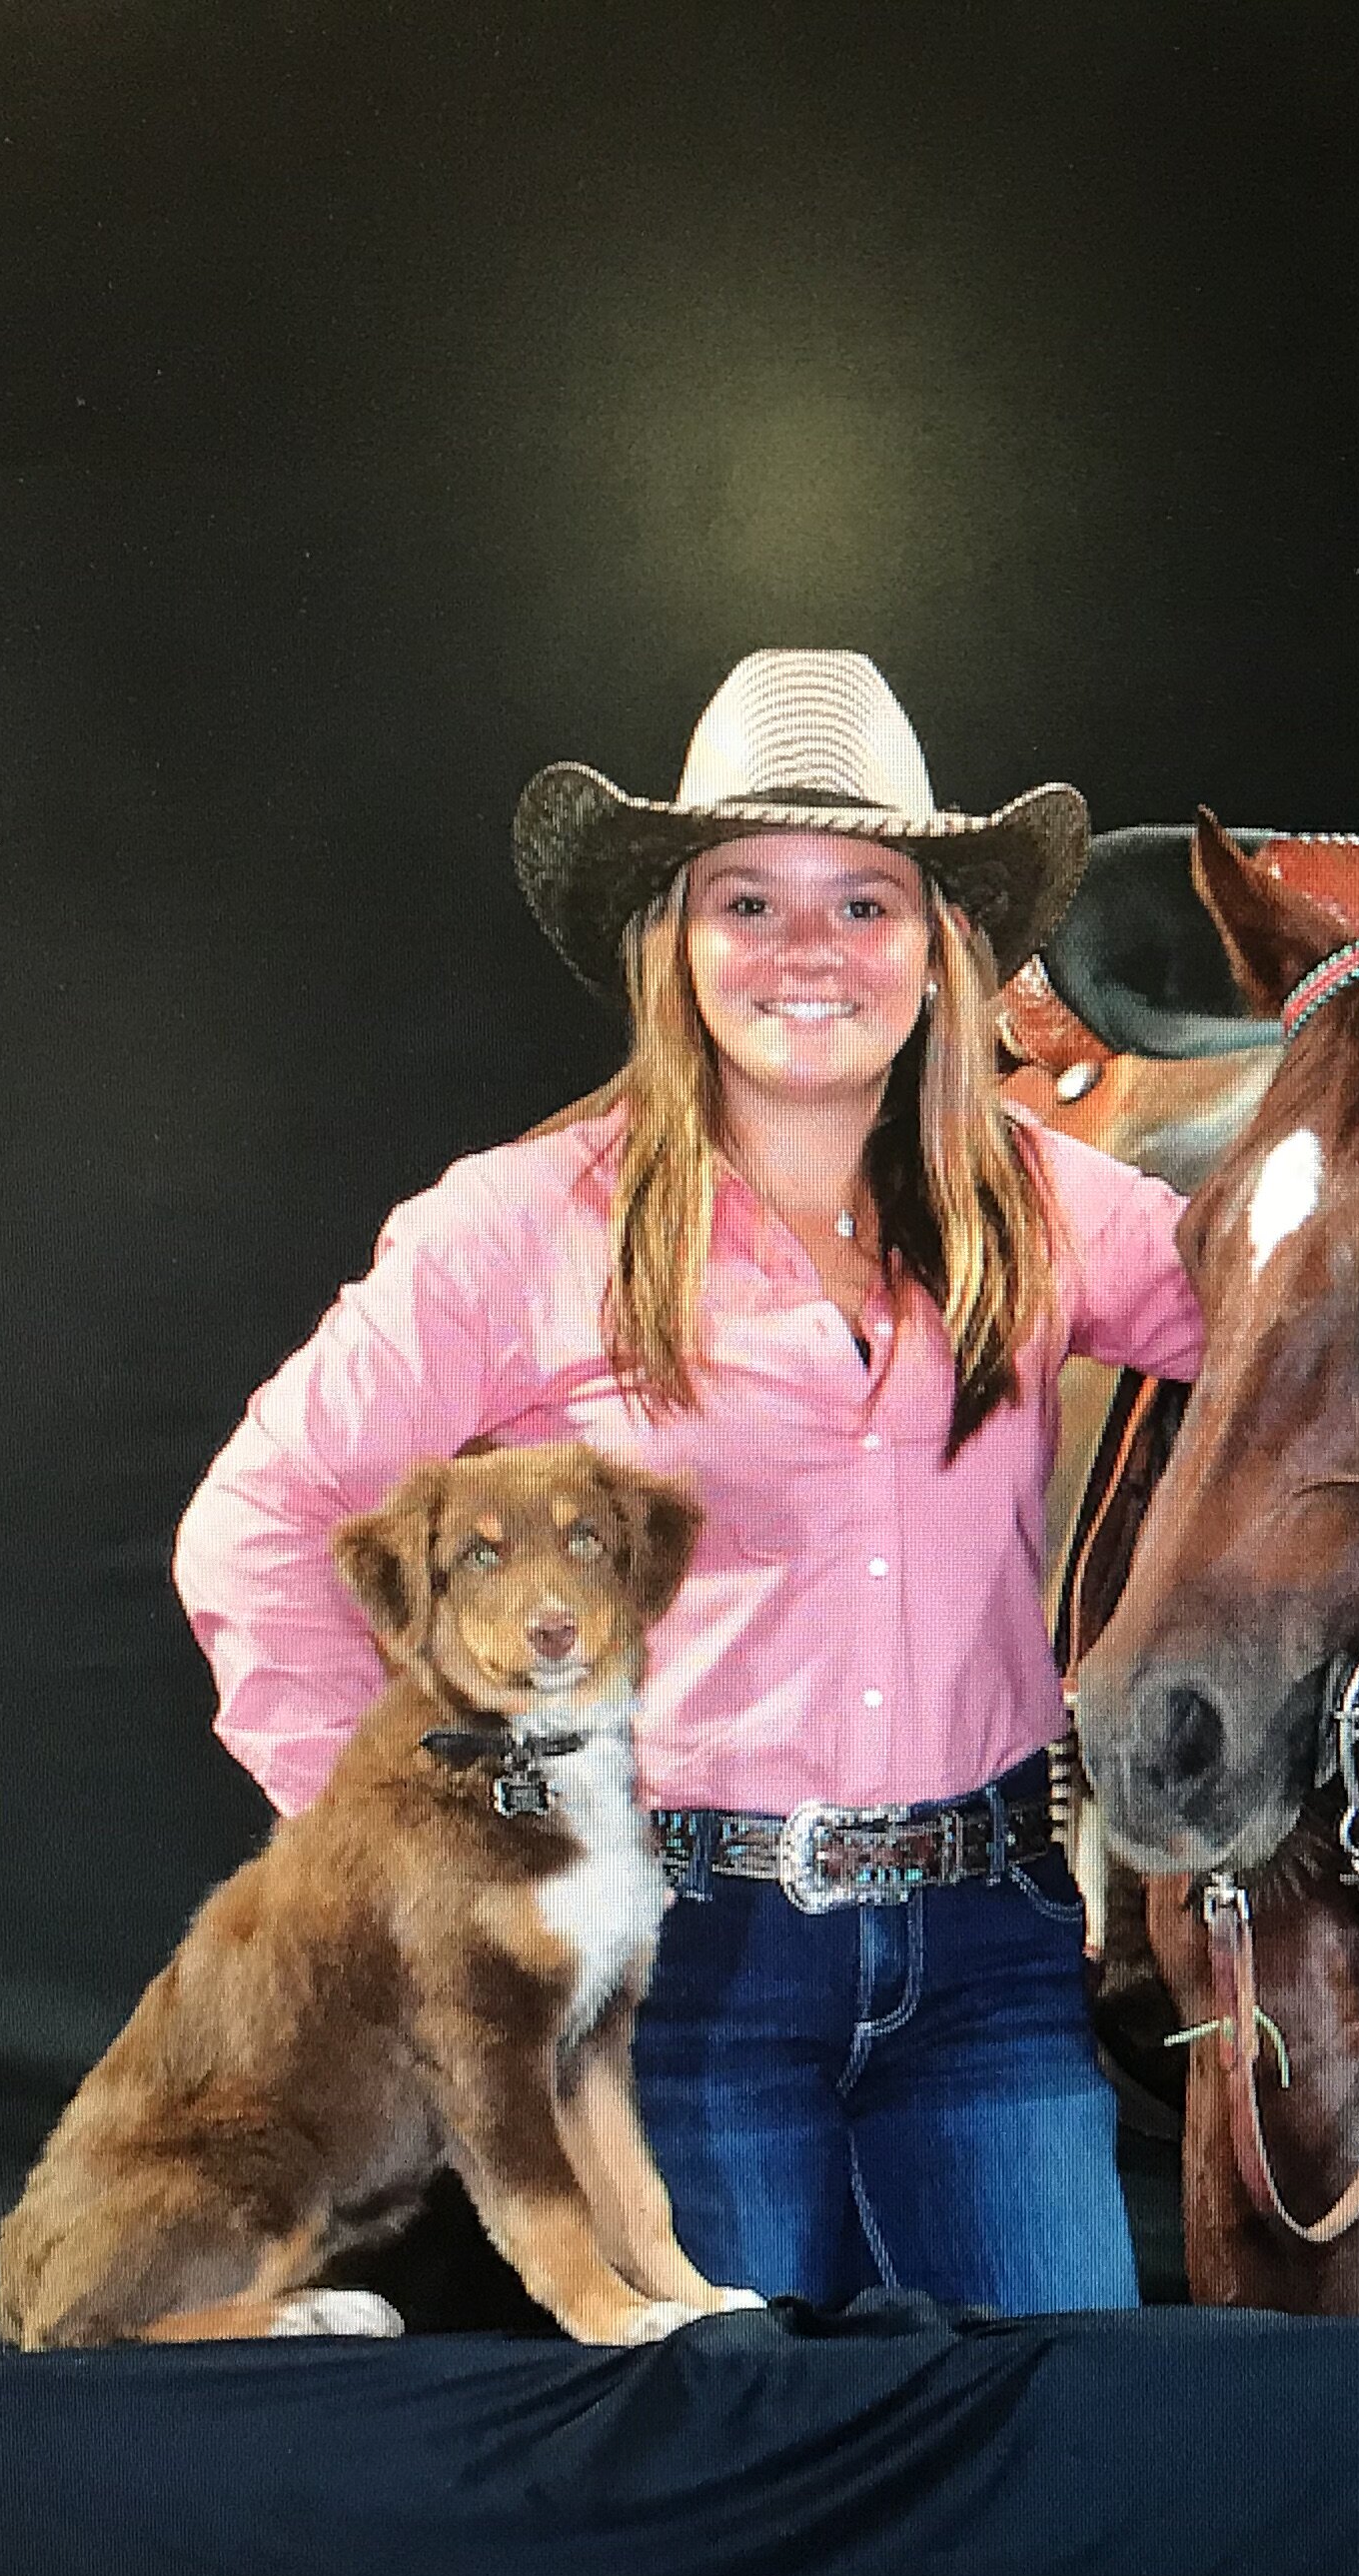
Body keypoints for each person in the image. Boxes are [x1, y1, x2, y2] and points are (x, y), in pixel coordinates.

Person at [177, 649, 1202, 2312]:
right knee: (729, 2473)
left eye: (867, 901)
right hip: (682, 1960)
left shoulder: (1052, 1206)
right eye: (749, 900)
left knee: (1055, 2440)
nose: (811, 949)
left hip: (995, 1947)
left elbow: (1304, 1330)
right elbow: (262, 1523)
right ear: (673, 943)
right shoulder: (518, 1227)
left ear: (942, 950)